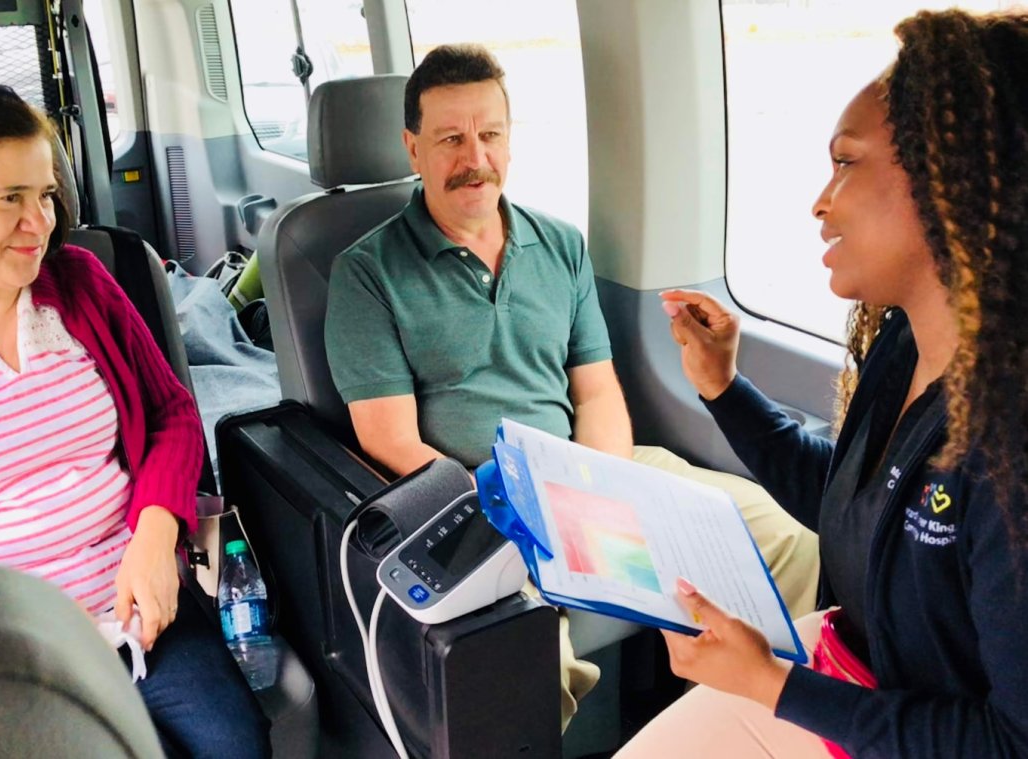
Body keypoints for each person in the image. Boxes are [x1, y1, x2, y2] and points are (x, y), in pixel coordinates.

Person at [324, 43, 820, 724]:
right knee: (521, 651)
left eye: (490, 135)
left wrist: (601, 486)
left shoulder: (559, 244)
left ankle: (739, 728)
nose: (476, 158)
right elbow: (388, 437)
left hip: (583, 471)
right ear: (413, 149)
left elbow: (595, 391)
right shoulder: (367, 271)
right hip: (472, 500)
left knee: (788, 537)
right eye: (450, 139)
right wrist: (517, 506)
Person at [617, 9, 1028, 758]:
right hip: (862, 679)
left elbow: (1010, 740)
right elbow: (854, 510)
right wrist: (724, 389)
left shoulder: (1009, 437)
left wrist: (775, 686)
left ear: (946, 176)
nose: (820, 199)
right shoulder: (903, 343)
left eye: (846, 162)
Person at [0, 86, 269, 758]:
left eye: (47, 195)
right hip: (11, 651)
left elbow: (172, 411)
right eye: (10, 199)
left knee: (236, 745)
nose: (42, 222)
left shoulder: (81, 283)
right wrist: (2, 619)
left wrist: (154, 535)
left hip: (148, 617)